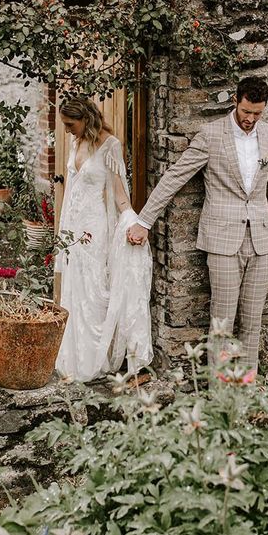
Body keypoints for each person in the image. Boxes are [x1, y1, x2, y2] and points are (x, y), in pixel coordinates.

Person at [127, 76, 268, 372]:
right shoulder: (210, 135)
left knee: (253, 321)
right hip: (222, 240)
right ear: (235, 102)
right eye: (246, 112)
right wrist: (144, 221)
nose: (251, 120)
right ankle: (221, 393)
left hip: (262, 241)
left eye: (257, 113)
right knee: (222, 322)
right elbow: (175, 177)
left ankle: (248, 389)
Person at [55, 96, 153, 382]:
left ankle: (95, 360)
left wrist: (134, 221)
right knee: (75, 291)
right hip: (73, 227)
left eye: (70, 124)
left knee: (94, 292)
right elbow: (72, 190)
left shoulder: (110, 145)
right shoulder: (77, 142)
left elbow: (119, 195)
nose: (67, 130)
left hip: (95, 230)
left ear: (85, 118)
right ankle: (75, 359)